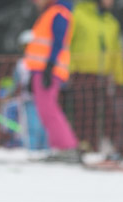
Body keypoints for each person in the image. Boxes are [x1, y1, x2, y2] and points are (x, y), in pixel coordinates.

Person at [68, 0, 123, 153]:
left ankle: (107, 145)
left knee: (107, 112)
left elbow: (116, 53)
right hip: (81, 73)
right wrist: (66, 70)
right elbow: (66, 43)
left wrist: (120, 79)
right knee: (84, 111)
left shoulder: (111, 22)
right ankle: (82, 143)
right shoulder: (77, 14)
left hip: (103, 75)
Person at [24, 0, 78, 158]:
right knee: (46, 110)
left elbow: (58, 41)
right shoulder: (51, 12)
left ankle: (66, 147)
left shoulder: (59, 12)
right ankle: (62, 147)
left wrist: (49, 66)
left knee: (49, 110)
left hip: (48, 70)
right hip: (41, 70)